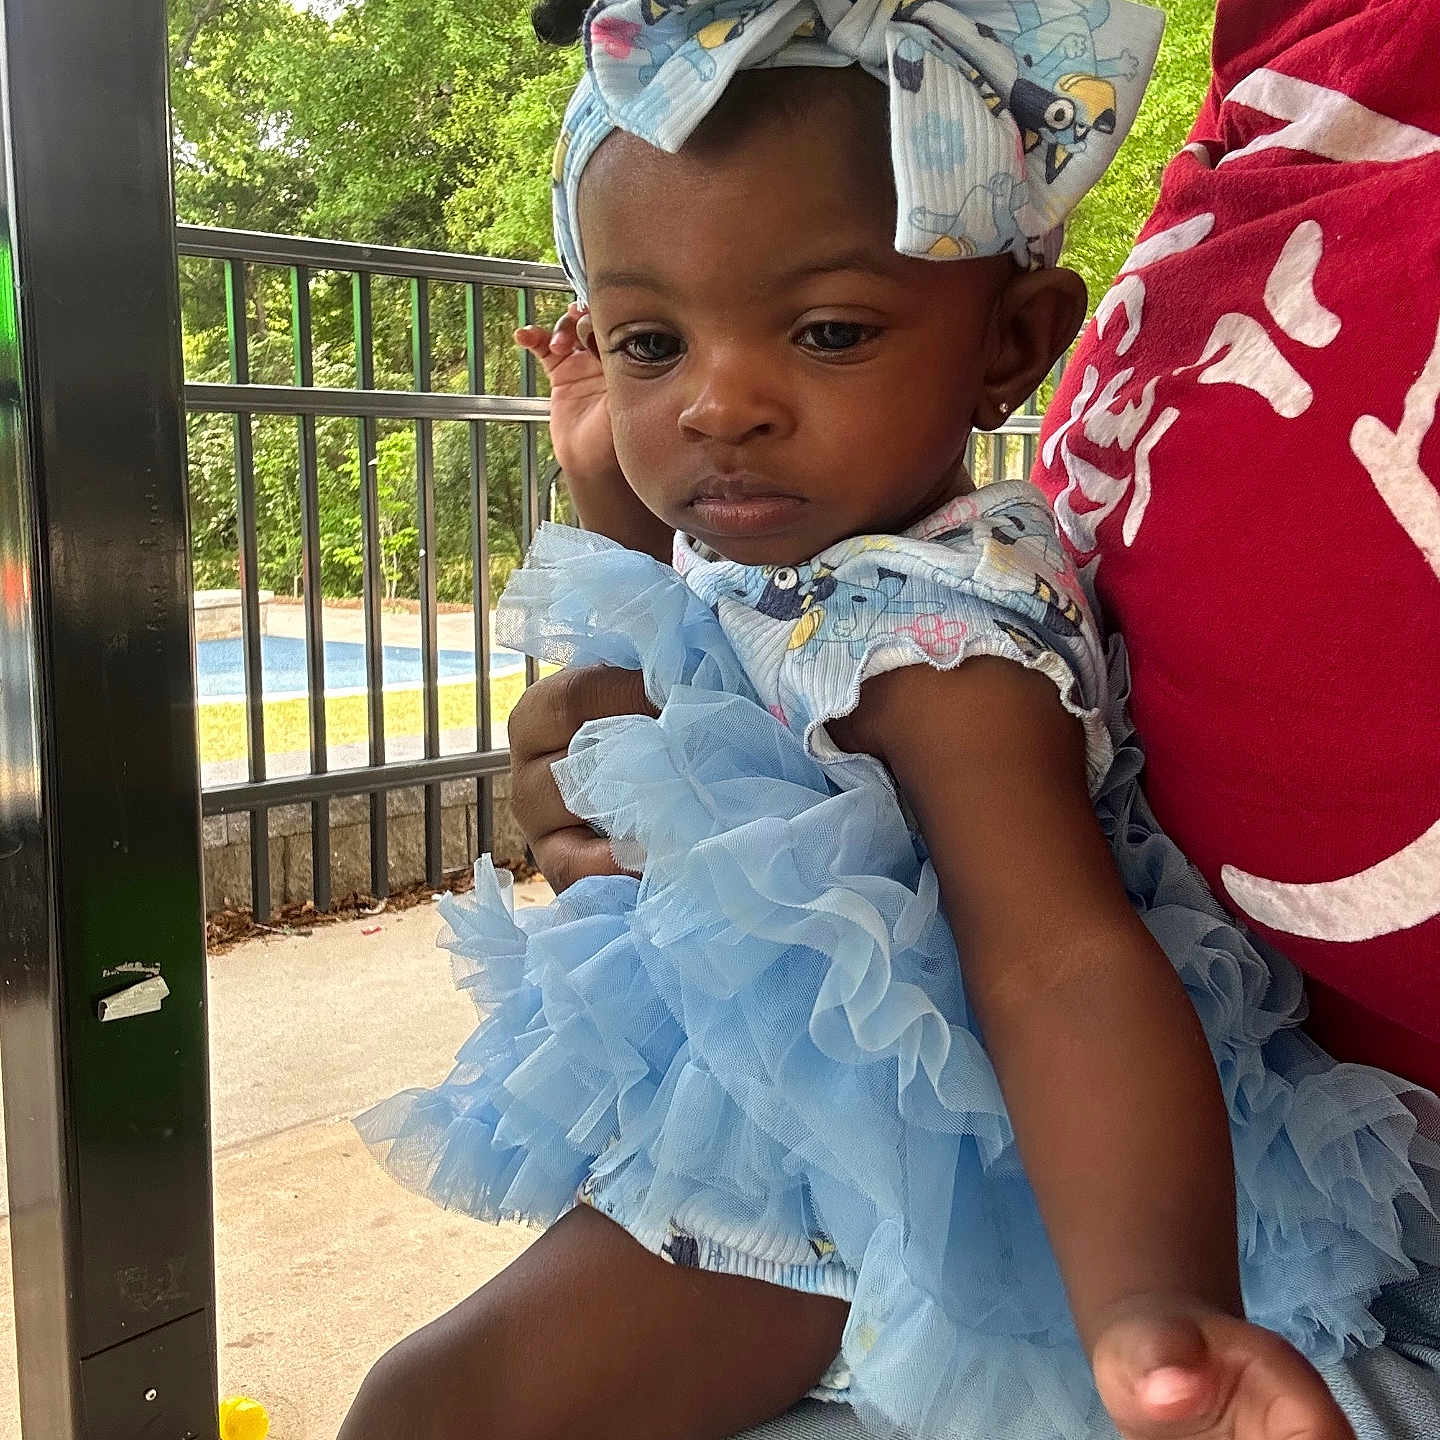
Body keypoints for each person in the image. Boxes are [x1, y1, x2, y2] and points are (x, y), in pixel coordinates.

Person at [339, 4, 1439, 1439]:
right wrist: (606, 473)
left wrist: (1156, 1310)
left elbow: (1054, 960)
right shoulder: (799, 541)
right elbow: (673, 611)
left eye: (828, 331)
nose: (721, 403)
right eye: (653, 338)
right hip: (781, 1108)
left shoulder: (931, 633)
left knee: (434, 1410)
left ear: (1016, 344)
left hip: (888, 1157)